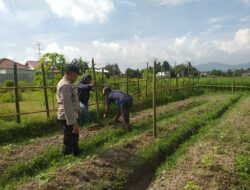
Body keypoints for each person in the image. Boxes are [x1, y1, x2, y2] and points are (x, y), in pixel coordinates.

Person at [57, 64, 81, 156]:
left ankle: (76, 152)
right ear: (71, 73)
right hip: (67, 116)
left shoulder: (67, 83)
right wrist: (73, 123)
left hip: (70, 115)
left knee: (74, 135)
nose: (77, 77)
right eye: (76, 74)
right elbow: (67, 106)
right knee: (69, 138)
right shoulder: (65, 86)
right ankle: (66, 156)